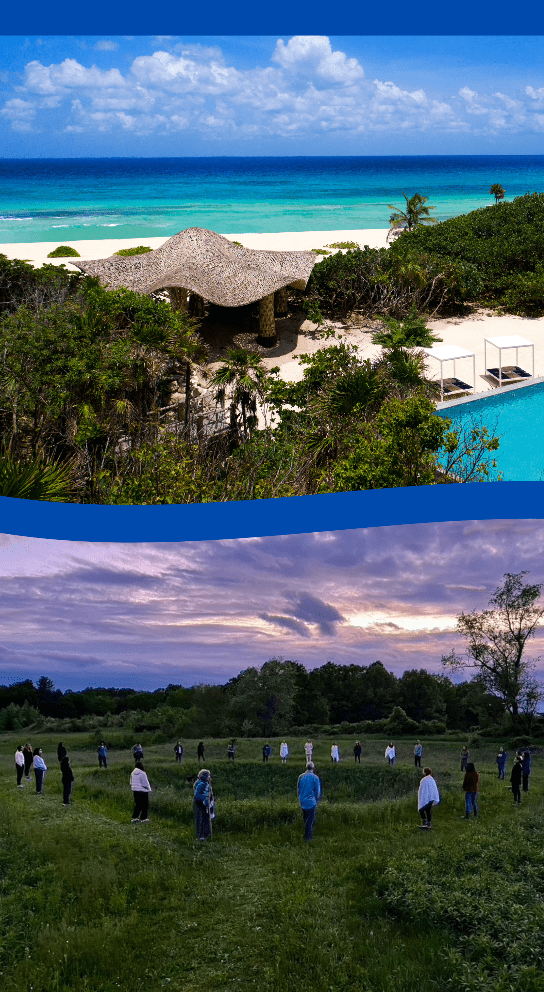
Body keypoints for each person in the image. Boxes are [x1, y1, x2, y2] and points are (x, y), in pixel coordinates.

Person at [297, 761, 321, 842]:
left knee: (306, 818)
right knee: (310, 821)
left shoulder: (301, 777)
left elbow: (298, 789)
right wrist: (317, 801)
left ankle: (307, 835)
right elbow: (317, 792)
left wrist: (300, 799)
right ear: (313, 768)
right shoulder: (315, 778)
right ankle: (308, 838)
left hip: (302, 801)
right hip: (311, 802)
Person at [193, 769, 213, 841]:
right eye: (208, 775)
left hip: (205, 804)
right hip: (201, 804)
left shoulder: (205, 783)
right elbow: (197, 796)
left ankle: (206, 834)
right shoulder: (201, 784)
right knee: (201, 819)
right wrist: (205, 798)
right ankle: (201, 836)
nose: (209, 777)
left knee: (205, 818)